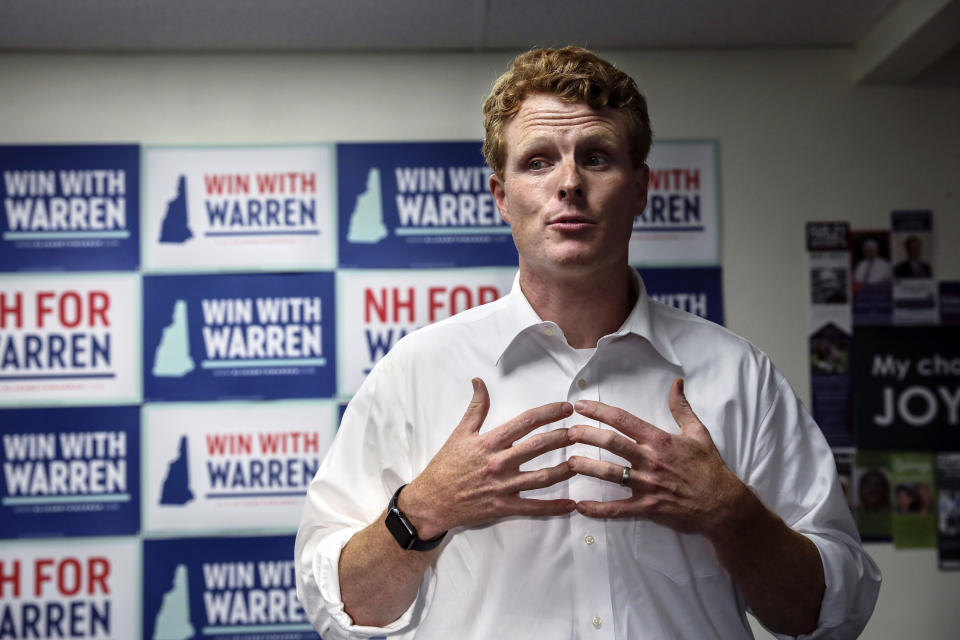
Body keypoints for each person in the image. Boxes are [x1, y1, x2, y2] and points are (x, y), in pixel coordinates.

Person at [295, 46, 880, 639]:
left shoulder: (737, 374)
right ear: (501, 195)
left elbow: (829, 614)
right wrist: (423, 508)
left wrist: (730, 513)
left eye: (597, 158)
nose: (569, 182)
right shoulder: (416, 371)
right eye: (539, 162)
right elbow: (341, 609)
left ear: (642, 188)